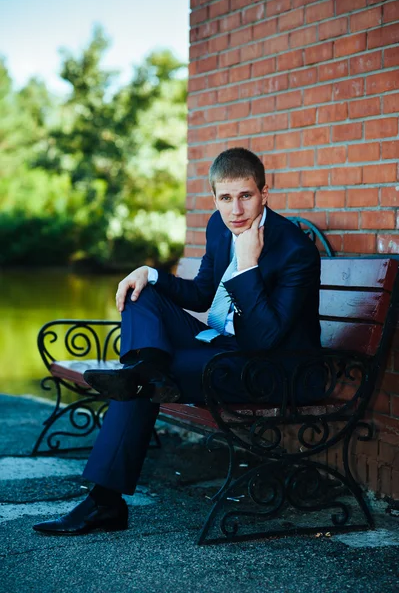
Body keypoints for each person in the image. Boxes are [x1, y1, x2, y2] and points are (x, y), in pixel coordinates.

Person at [33, 147, 322, 535]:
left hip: (272, 369)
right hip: (222, 348)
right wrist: (150, 273)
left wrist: (249, 265)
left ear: (264, 193)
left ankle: (104, 504)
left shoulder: (295, 250)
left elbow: (267, 339)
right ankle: (146, 367)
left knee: (138, 382)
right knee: (142, 294)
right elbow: (202, 293)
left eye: (246, 196)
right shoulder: (220, 227)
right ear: (215, 198)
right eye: (225, 198)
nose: (235, 210)